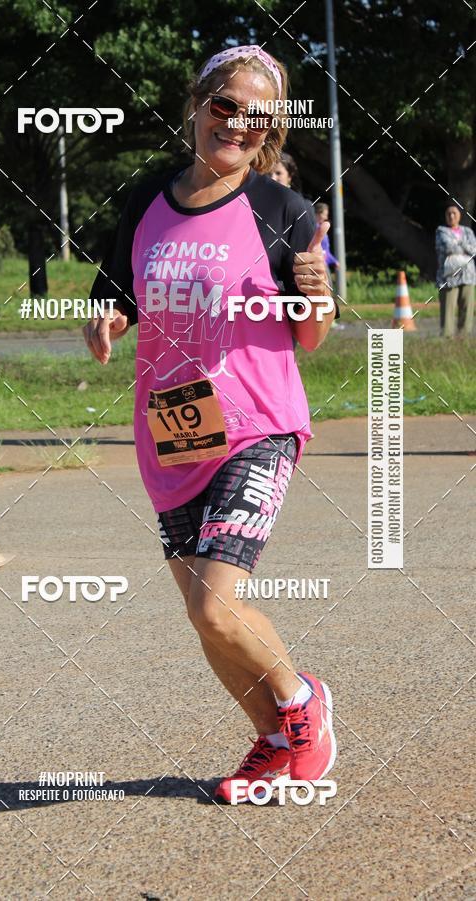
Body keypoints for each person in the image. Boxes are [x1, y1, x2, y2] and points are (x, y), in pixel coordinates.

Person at [84, 44, 338, 803]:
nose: (236, 124)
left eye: (257, 117)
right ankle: (273, 740)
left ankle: (302, 701)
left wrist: (317, 295)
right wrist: (107, 321)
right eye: (224, 105)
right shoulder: (147, 200)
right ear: (196, 107)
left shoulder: (282, 211)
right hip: (173, 426)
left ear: (272, 131)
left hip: (257, 421)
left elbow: (311, 334)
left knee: (214, 602)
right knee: (205, 618)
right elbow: (117, 295)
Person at [435, 203, 476, 337]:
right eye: (449, 214)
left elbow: (474, 250)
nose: (451, 216)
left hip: (467, 274)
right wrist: (465, 247)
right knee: (448, 308)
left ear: (460, 216)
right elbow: (447, 248)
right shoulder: (441, 231)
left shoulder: (468, 231)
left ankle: (463, 337)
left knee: (467, 308)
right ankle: (447, 337)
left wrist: (459, 243)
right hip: (448, 276)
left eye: (454, 213)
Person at [315, 202, 339, 273]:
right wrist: (334, 261)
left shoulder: (320, 227)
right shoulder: (316, 228)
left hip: (322, 263)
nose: (326, 218)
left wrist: (334, 261)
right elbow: (322, 250)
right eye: (324, 215)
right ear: (318, 213)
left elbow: (325, 250)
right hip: (319, 263)